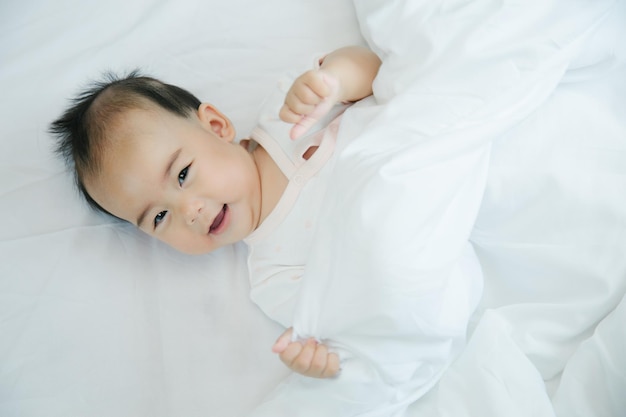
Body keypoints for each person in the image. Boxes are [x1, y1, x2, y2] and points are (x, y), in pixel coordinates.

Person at [50, 45, 382, 380]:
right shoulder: (274, 278)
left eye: (182, 175)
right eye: (159, 217)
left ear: (216, 125)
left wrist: (334, 82)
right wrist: (321, 358)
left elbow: (375, 69)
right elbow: (361, 318)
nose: (189, 213)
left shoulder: (287, 111)